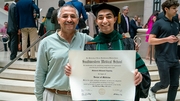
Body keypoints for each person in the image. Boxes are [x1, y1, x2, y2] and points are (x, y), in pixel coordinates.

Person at [65, 3, 151, 101]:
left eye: (108, 17)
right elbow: (85, 77)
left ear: (115, 19)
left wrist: (139, 77)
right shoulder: (90, 46)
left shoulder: (127, 43)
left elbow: (143, 73)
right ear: (96, 21)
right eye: (100, 18)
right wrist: (73, 71)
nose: (104, 21)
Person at [34, 4, 93, 101]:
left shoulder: (87, 41)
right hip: (53, 95)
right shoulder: (46, 42)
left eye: (73, 16)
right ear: (58, 20)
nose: (69, 19)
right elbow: (40, 72)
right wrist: (40, 98)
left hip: (80, 96)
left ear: (77, 20)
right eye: (65, 16)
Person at [148, 0, 180, 101]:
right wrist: (166, 39)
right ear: (166, 9)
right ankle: (152, 90)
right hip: (162, 58)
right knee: (164, 83)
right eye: (174, 8)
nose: (176, 10)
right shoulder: (158, 23)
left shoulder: (176, 23)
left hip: (174, 57)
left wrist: (178, 38)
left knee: (175, 84)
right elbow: (150, 40)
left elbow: (176, 36)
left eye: (176, 8)